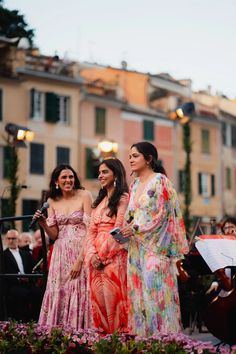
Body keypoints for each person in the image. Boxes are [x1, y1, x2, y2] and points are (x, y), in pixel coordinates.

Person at [122, 141, 189, 336]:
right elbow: (131, 215)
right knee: (138, 298)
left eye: (135, 156)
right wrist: (125, 228)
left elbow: (163, 215)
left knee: (157, 296)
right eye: (130, 156)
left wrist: (135, 227)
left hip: (156, 248)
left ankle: (165, 342)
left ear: (149, 158)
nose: (131, 160)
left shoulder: (160, 181)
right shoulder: (134, 185)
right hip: (135, 249)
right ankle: (144, 342)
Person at [34, 164, 93, 330]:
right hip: (60, 254)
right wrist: (44, 223)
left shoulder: (85, 195)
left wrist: (80, 260)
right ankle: (57, 336)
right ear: (56, 182)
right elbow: (54, 235)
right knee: (58, 292)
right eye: (64, 177)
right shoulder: (51, 201)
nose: (68, 180)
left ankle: (80, 334)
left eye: (71, 177)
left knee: (80, 291)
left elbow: (91, 230)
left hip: (80, 251)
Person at [86, 158, 129, 333]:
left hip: (115, 259)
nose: (100, 175)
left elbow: (119, 230)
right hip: (95, 261)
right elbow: (90, 232)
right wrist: (92, 256)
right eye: (99, 172)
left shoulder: (124, 198)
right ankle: (103, 346)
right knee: (99, 307)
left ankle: (119, 344)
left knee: (115, 306)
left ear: (116, 174)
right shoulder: (99, 202)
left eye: (105, 172)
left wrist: (102, 256)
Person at [3, 229, 43, 321]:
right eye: (8, 238)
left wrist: (31, 276)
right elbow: (5, 271)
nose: (10, 241)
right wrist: (19, 277)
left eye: (13, 238)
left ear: (18, 240)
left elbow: (34, 268)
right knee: (23, 294)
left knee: (39, 293)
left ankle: (37, 320)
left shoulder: (25, 254)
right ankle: (22, 321)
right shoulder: (3, 255)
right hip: (13, 285)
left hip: (28, 283)